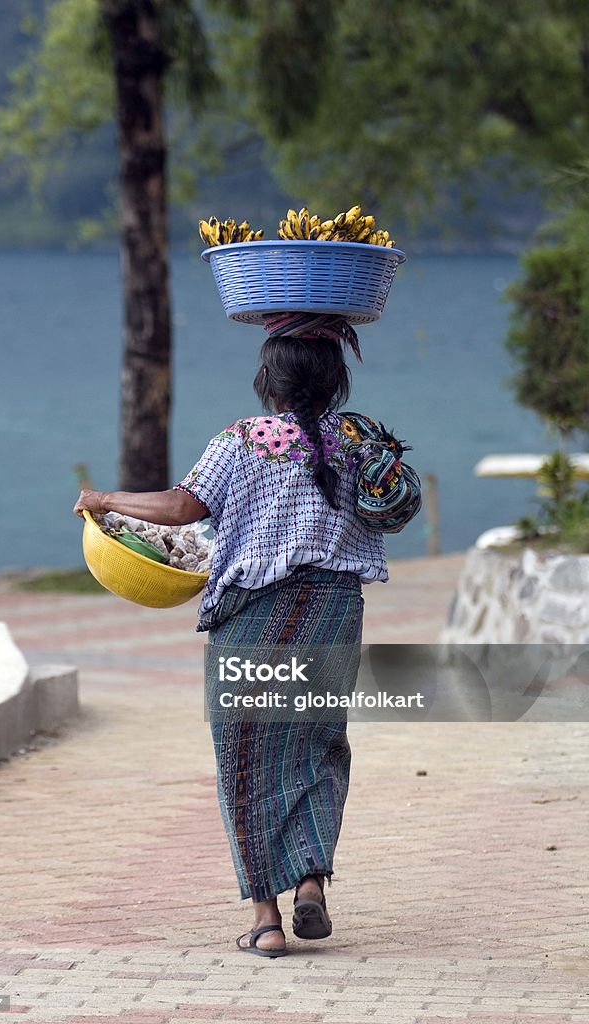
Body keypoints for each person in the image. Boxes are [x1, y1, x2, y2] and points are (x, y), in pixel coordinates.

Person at [73, 314, 398, 958]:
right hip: (335, 611)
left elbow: (182, 508)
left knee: (247, 761)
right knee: (317, 747)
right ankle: (310, 884)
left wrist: (103, 499)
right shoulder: (360, 445)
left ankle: (266, 921)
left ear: (269, 381)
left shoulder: (244, 439)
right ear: (336, 381)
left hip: (255, 618)